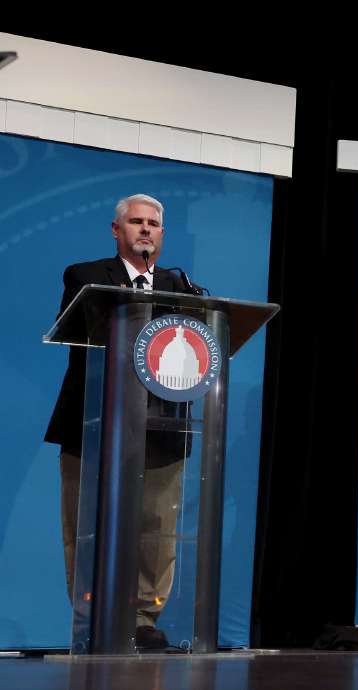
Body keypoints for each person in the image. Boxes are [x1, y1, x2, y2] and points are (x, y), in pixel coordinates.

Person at [44, 194, 193, 650]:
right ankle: (93, 616)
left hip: (160, 424)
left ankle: (144, 618)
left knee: (155, 525)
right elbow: (84, 328)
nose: (145, 230)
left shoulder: (181, 285)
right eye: (136, 222)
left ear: (162, 235)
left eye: (153, 224)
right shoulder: (85, 276)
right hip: (92, 420)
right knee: (84, 523)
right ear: (116, 230)